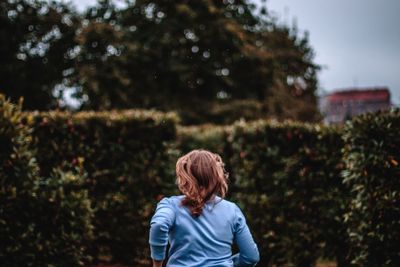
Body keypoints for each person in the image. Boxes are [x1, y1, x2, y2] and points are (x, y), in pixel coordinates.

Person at [149, 149, 259, 267]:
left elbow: (159, 225)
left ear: (186, 177)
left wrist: (157, 264)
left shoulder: (170, 205)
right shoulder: (232, 210)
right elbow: (251, 257)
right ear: (216, 176)